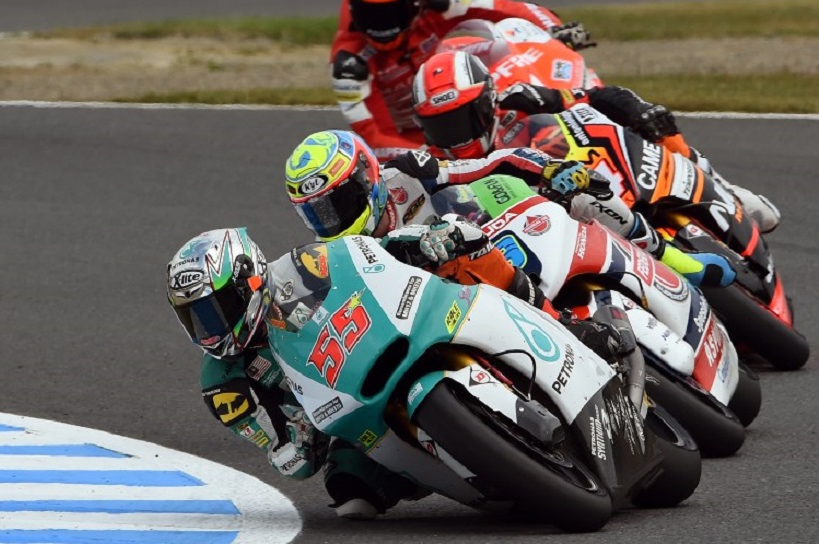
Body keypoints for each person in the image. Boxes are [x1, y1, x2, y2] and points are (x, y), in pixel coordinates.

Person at [166, 222, 626, 520]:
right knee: (350, 493)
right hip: (342, 417)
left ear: (249, 278)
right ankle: (478, 468)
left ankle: (574, 332)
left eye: (216, 309)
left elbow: (371, 254)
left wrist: (421, 242)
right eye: (197, 318)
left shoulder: (303, 265)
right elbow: (283, 454)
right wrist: (297, 439)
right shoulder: (224, 384)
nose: (212, 327)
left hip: (389, 341)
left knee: (462, 268)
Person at [285, 129, 735, 288]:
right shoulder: (339, 256)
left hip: (495, 239)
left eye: (337, 203)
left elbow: (490, 164)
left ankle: (671, 258)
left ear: (367, 177)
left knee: (581, 192)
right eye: (317, 213)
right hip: (454, 303)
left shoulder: (407, 173)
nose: (331, 221)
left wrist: (550, 169)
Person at [410, 49, 781, 233]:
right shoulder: (433, 165)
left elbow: (592, 97)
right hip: (545, 226)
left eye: (459, 119)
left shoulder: (520, 99)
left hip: (587, 176)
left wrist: (639, 110)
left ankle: (722, 187)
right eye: (440, 125)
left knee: (654, 124)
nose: (453, 135)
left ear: (486, 103)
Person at [331, 0, 596, 161]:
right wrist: (430, 157)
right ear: (355, 8)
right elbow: (376, 139)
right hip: (417, 136)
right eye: (372, 14)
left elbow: (508, 8)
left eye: (392, 12)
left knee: (505, 43)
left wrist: (554, 30)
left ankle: (582, 102)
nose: (383, 25)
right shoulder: (348, 66)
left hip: (449, 82)